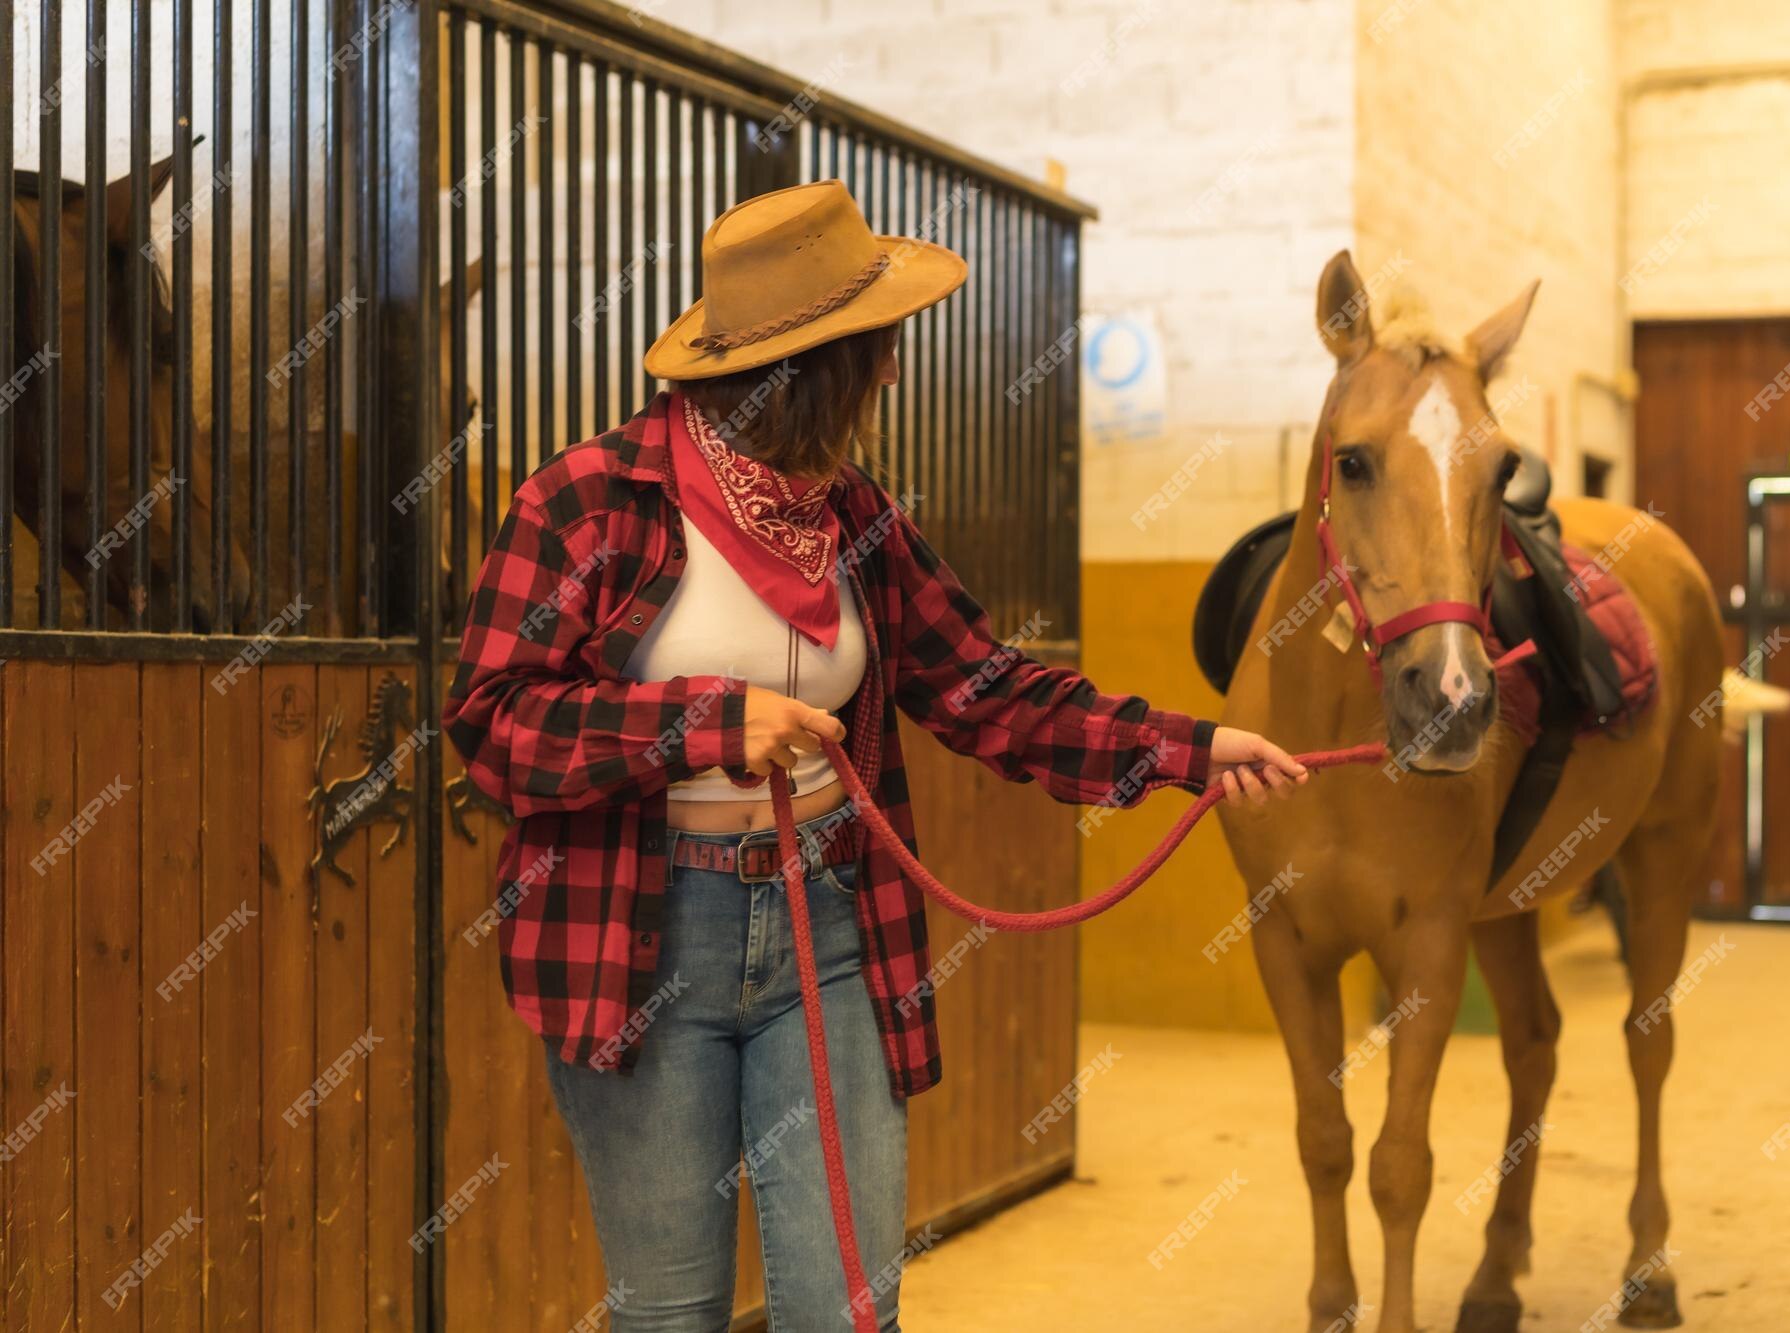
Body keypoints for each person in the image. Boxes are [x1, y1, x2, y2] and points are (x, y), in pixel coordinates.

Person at [444, 179, 1307, 1332]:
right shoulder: (589, 500)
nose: (892, 376)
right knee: (668, 1312)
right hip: (643, 942)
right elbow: (494, 724)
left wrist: (1186, 749)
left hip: (830, 922)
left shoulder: (857, 519)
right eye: (876, 352)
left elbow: (987, 690)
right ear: (810, 368)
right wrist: (702, 722)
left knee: (848, 1306)